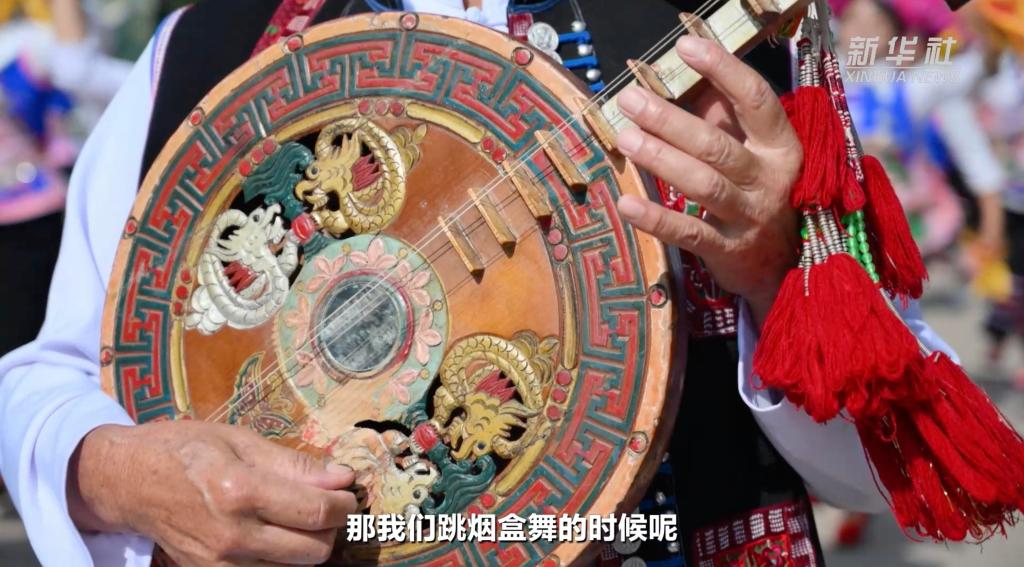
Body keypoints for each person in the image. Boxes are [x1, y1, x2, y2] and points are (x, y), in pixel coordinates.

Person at [0, 1, 963, 566]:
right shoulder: (216, 47)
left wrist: (771, 276)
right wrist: (113, 471)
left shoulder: (723, 55)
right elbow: (45, 376)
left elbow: (876, 472)